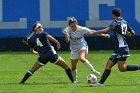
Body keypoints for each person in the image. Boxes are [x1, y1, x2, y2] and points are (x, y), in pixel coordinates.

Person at [90, 8, 140, 87]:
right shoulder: (124, 22)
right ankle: (100, 83)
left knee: (122, 68)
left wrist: (94, 32)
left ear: (113, 15)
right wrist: (126, 33)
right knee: (108, 65)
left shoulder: (115, 22)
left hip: (122, 48)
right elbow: (133, 32)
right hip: (118, 49)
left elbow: (106, 30)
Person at [62, 17, 110, 82]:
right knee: (73, 67)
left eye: (75, 25)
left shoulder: (81, 29)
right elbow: (67, 41)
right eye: (72, 26)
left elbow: (93, 31)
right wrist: (66, 34)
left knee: (81, 58)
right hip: (73, 49)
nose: (74, 27)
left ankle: (94, 71)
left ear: (77, 24)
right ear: (69, 25)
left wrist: (103, 35)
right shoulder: (67, 30)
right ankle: (74, 81)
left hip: (82, 46)